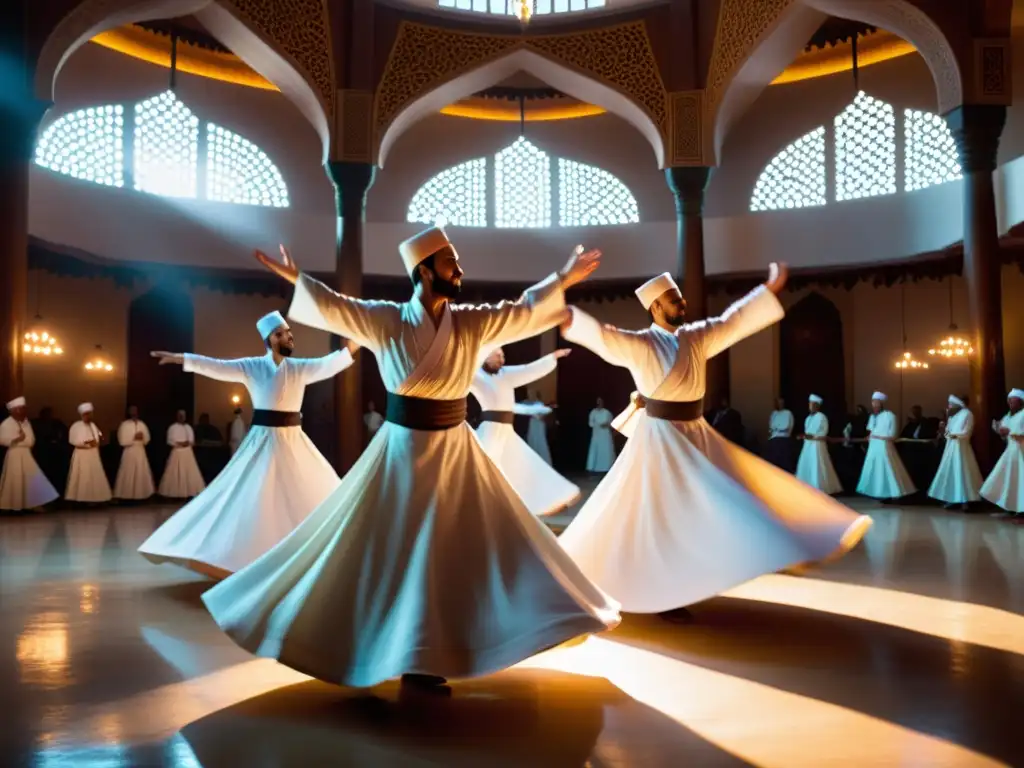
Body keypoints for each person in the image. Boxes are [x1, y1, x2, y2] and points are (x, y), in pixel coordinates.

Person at [201, 228, 619, 691]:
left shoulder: (470, 322)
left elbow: (520, 311)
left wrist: (562, 278)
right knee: (393, 553)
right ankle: (392, 647)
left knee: (464, 550)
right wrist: (297, 277)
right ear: (425, 271)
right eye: (450, 262)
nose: (459, 270)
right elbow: (340, 306)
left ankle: (448, 645)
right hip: (400, 451)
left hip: (455, 449)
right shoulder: (386, 320)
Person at [558, 267, 871, 622]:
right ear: (655, 307)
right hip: (659, 440)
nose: (683, 302)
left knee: (733, 498)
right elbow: (604, 336)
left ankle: (776, 547)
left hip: (696, 433)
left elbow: (732, 321)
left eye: (681, 297)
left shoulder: (696, 337)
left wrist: (768, 290)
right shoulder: (641, 344)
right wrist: (572, 320)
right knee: (658, 516)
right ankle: (658, 591)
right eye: (674, 299)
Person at [141, 310, 356, 577]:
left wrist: (357, 339)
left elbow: (332, 362)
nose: (288, 338)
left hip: (293, 439)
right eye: (280, 334)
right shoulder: (252, 367)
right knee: (253, 498)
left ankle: (304, 558)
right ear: (269, 340)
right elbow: (216, 365)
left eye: (289, 334)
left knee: (313, 492)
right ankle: (244, 559)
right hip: (262, 440)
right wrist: (182, 359)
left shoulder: (300, 368)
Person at [471, 346, 579, 516]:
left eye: (503, 355)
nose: (502, 359)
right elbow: (454, 377)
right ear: (485, 357)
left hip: (506, 431)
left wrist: (552, 358)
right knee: (485, 465)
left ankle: (546, 499)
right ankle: (481, 505)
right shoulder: (475, 375)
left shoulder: (506, 374)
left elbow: (529, 370)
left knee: (523, 465)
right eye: (497, 355)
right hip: (490, 430)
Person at [0, 397, 59, 512]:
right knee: (16, 479)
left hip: (26, 454)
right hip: (14, 454)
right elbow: (2, 439)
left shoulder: (26, 423)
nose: (23, 412)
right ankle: (14, 505)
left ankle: (33, 504)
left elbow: (31, 439)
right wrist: (17, 439)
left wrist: (24, 440)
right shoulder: (6, 424)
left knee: (32, 479)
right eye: (21, 409)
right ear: (14, 410)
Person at [857, 392, 915, 501]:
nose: (874, 404)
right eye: (873, 402)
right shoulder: (872, 417)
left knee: (888, 469)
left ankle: (894, 493)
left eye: (876, 402)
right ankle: (880, 492)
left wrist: (879, 437)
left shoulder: (890, 416)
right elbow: (870, 432)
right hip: (873, 447)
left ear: (881, 403)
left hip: (884, 447)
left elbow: (892, 435)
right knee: (876, 470)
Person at [927, 395, 982, 510]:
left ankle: (965, 500)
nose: (949, 407)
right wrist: (943, 429)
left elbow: (967, 432)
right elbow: (947, 433)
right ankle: (952, 498)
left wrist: (955, 435)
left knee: (962, 472)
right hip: (951, 448)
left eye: (950, 404)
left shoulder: (968, 414)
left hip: (961, 448)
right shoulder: (952, 417)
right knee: (950, 472)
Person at [981, 388, 1024, 521]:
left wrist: (1010, 433)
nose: (1011, 404)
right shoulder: (1008, 416)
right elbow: (1006, 435)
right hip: (1011, 451)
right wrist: (1001, 432)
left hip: (1021, 451)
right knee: (1010, 481)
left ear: (1020, 402)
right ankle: (1012, 508)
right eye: (1009, 401)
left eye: (1013, 401)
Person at [66, 403, 112, 504]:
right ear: (82, 415)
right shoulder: (76, 426)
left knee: (94, 477)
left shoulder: (93, 425)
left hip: (93, 455)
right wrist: (87, 443)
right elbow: (73, 440)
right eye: (86, 414)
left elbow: (98, 438)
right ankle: (80, 500)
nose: (88, 416)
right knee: (83, 477)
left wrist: (96, 441)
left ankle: (94, 500)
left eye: (90, 414)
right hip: (82, 455)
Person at [795, 394, 841, 494]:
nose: (810, 406)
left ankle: (819, 488)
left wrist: (812, 437)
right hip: (807, 445)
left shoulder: (822, 417)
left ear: (817, 405)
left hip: (817, 446)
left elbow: (823, 433)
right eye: (809, 404)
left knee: (818, 466)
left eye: (812, 404)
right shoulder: (808, 418)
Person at [158, 410, 206, 499]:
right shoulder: (172, 427)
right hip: (177, 452)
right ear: (177, 416)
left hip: (187, 453)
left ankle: (189, 492)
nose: (181, 417)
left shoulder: (188, 427)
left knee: (189, 471)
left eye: (183, 416)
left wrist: (187, 443)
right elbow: (169, 440)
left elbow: (192, 440)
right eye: (180, 415)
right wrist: (179, 444)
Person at [113, 405, 155, 502]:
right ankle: (126, 496)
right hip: (130, 451)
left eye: (135, 410)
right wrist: (133, 437)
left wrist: (142, 437)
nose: (134, 412)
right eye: (132, 410)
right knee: (128, 472)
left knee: (140, 472)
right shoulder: (124, 425)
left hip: (140, 450)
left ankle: (141, 495)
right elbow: (122, 440)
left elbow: (147, 438)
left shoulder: (142, 424)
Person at [764, 396, 796, 472]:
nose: (779, 404)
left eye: (781, 402)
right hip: (773, 440)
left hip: (783, 439)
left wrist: (778, 429)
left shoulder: (788, 413)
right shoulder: (773, 414)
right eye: (778, 403)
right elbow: (771, 427)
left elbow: (788, 427)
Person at [586, 398, 615, 473]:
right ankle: (594, 467)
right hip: (597, 434)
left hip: (605, 434)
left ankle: (606, 467)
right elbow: (590, 423)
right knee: (596, 449)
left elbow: (612, 423)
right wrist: (597, 425)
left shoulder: (607, 412)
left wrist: (607, 425)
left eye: (600, 402)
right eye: (598, 402)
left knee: (605, 449)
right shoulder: (593, 412)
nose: (599, 403)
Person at [525, 390, 553, 464]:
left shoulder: (538, 406)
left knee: (539, 442)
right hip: (535, 425)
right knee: (535, 442)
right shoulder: (534, 407)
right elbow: (539, 416)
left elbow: (540, 417)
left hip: (537, 425)